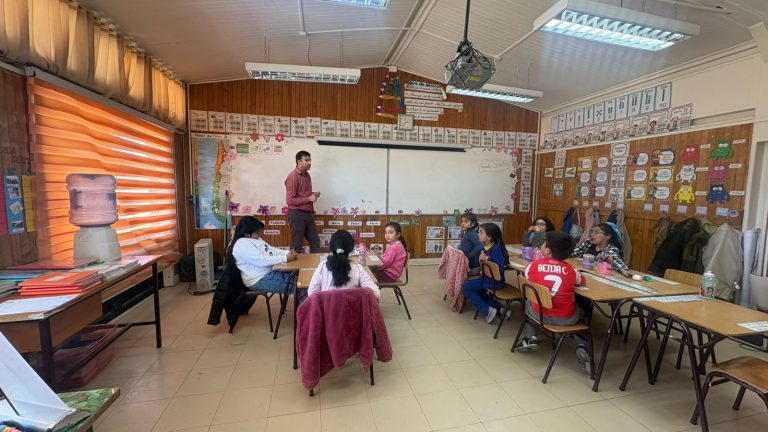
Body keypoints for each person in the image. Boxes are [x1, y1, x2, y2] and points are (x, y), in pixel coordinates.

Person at [516, 231, 591, 374]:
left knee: (529, 302)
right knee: (581, 311)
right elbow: (582, 282)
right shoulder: (571, 270)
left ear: (547, 250)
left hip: (539, 315)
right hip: (566, 319)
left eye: (543, 244)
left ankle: (531, 337)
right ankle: (581, 345)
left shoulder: (533, 265)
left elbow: (527, 278)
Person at [230, 216, 297, 294]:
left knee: (297, 277)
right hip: (259, 279)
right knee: (299, 287)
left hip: (269, 272)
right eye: (257, 232)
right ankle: (307, 305)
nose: (259, 234)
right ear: (247, 233)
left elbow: (270, 250)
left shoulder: (255, 239)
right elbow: (261, 260)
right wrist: (285, 258)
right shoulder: (241, 244)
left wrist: (287, 253)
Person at [462, 223, 511, 323]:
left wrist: (487, 259)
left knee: (466, 288)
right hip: (487, 279)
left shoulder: (495, 249)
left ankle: (488, 311)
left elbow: (499, 268)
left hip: (494, 282)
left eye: (481, 233)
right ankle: (501, 309)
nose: (478, 234)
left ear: (489, 237)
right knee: (479, 292)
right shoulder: (486, 246)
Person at [308, 230, 379, 298]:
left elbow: (311, 294)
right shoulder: (358, 269)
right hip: (352, 310)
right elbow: (376, 293)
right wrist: (357, 292)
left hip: (326, 310)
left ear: (332, 247)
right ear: (351, 249)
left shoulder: (322, 266)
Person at [285, 150, 321, 253]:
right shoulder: (292, 177)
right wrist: (309, 199)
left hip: (308, 214)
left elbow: (302, 194)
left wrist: (313, 194)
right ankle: (296, 270)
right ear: (299, 161)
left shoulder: (307, 175)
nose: (309, 162)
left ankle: (316, 268)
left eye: (310, 160)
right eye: (306, 160)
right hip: (297, 214)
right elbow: (290, 200)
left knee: (315, 243)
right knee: (297, 246)